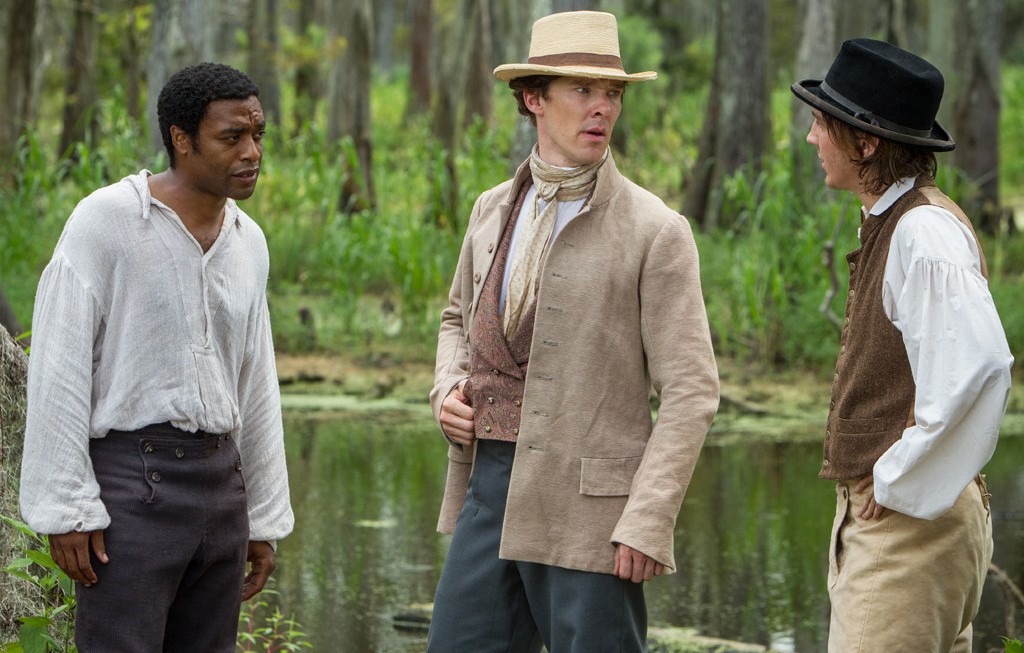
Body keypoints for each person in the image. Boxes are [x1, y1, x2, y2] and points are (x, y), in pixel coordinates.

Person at [426, 10, 719, 652]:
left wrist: (648, 518)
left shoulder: (656, 230)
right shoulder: (491, 209)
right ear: (534, 98)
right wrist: (447, 389)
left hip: (593, 511)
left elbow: (692, 391)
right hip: (488, 487)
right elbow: (455, 320)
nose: (602, 108)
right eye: (582, 90)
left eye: (611, 93)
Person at [19, 62, 294, 652]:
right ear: (181, 138)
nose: (252, 152)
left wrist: (264, 519)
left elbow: (256, 381)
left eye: (258, 135)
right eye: (232, 137)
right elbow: (59, 366)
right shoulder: (106, 222)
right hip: (131, 489)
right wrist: (67, 508)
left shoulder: (248, 241)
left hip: (221, 488)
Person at [792, 39, 1013, 652]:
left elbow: (980, 366)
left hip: (910, 533)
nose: (811, 138)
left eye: (821, 124)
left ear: (865, 144)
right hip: (913, 525)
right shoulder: (901, 221)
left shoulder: (921, 232)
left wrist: (895, 477)